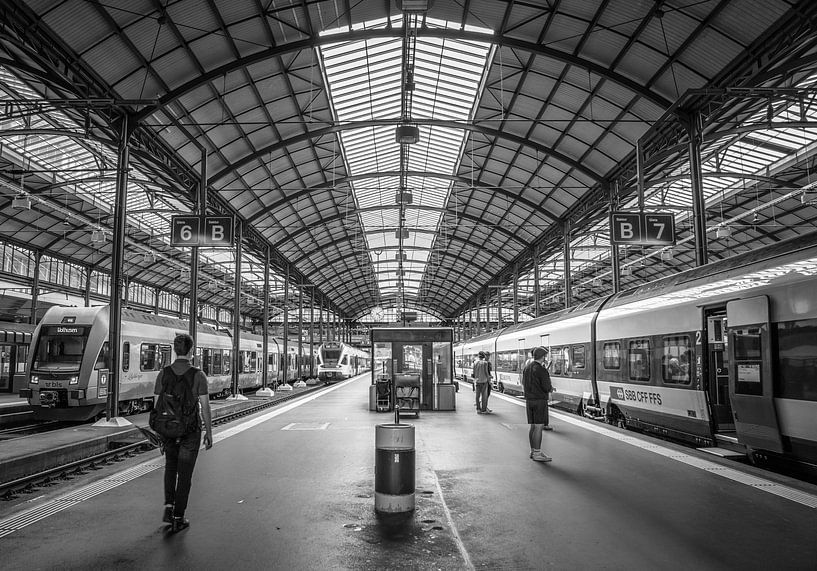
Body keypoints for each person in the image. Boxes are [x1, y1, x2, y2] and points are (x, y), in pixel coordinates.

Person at [154, 333, 213, 532]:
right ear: (191, 351)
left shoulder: (163, 374)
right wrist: (209, 432)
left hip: (168, 430)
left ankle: (168, 507)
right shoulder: (198, 375)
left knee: (170, 468)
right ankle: (179, 516)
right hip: (190, 431)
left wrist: (161, 431)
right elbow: (205, 407)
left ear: (175, 350)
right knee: (185, 474)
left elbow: (157, 405)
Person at [522, 346, 553, 462]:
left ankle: (533, 451)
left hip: (529, 400)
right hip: (539, 400)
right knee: (539, 427)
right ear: (543, 357)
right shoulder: (541, 369)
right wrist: (550, 388)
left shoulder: (527, 368)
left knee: (533, 426)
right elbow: (545, 386)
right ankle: (537, 453)